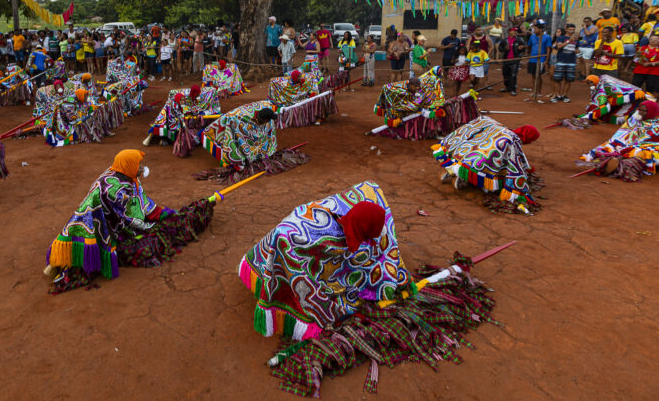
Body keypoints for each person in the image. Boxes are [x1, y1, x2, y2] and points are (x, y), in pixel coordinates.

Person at [238, 180, 412, 338]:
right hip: (288, 237)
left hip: (292, 233)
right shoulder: (307, 239)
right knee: (289, 264)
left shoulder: (355, 212)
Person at [44, 149, 213, 293]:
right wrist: (161, 218)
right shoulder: (118, 189)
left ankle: (60, 263)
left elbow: (142, 204)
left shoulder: (118, 174)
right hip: (100, 229)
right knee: (151, 242)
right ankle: (66, 264)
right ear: (129, 165)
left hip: (92, 224)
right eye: (138, 165)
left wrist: (163, 212)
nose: (141, 168)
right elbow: (133, 217)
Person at [434, 118, 541, 212]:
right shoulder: (511, 140)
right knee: (493, 169)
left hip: (466, 151)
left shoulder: (501, 129)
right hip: (480, 161)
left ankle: (454, 170)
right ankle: (463, 177)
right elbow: (515, 164)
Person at [581, 100, 659, 182]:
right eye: (639, 109)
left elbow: (646, 138)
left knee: (640, 152)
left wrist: (627, 148)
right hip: (632, 143)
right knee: (612, 144)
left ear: (652, 111)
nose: (640, 112)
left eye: (644, 111)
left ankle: (625, 166)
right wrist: (620, 144)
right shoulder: (636, 117)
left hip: (653, 146)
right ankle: (606, 160)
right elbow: (624, 132)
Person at [201, 103, 279, 169]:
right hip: (229, 119)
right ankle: (199, 137)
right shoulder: (239, 118)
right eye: (268, 120)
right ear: (265, 120)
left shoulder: (265, 111)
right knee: (232, 136)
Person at [551, 23, 578, 103]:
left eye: (573, 30)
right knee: (557, 79)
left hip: (571, 61)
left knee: (568, 79)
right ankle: (557, 95)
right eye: (570, 29)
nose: (572, 31)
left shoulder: (576, 40)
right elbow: (559, 47)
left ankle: (564, 95)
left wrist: (577, 51)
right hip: (561, 61)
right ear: (566, 29)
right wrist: (569, 41)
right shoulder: (561, 38)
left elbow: (576, 49)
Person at [526, 21, 552, 97]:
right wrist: (528, 55)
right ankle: (534, 91)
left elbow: (548, 49)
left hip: (541, 59)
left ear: (541, 29)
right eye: (534, 29)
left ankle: (539, 92)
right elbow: (529, 46)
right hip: (532, 59)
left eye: (536, 29)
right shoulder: (532, 37)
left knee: (539, 76)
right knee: (533, 76)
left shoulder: (547, 37)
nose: (535, 30)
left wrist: (546, 60)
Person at [498, 28, 526, 96]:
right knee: (505, 74)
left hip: (515, 60)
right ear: (509, 32)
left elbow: (524, 47)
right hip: (506, 60)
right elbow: (500, 48)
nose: (515, 32)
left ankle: (513, 89)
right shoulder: (504, 40)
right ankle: (507, 87)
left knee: (513, 75)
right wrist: (505, 48)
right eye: (513, 31)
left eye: (516, 31)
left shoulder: (519, 39)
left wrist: (522, 48)